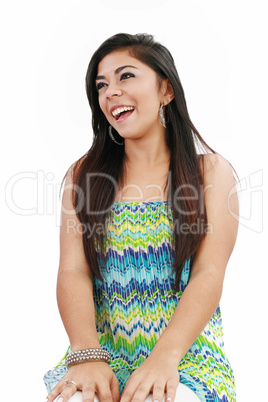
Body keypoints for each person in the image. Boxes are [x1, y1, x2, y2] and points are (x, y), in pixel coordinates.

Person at [44, 33, 239, 402]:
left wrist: (164, 357)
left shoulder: (210, 173)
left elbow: (208, 274)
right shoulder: (84, 175)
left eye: (126, 76)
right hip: (101, 355)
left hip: (186, 358)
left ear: (166, 90)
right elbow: (73, 271)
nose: (110, 92)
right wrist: (86, 355)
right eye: (101, 85)